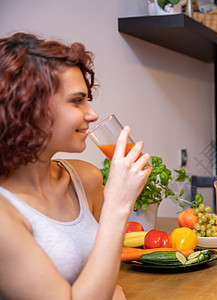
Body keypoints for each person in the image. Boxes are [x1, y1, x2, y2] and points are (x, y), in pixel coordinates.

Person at [0, 32, 152, 299]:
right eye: (77, 100)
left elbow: (103, 279)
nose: (92, 114)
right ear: (28, 108)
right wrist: (117, 204)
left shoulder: (85, 178)